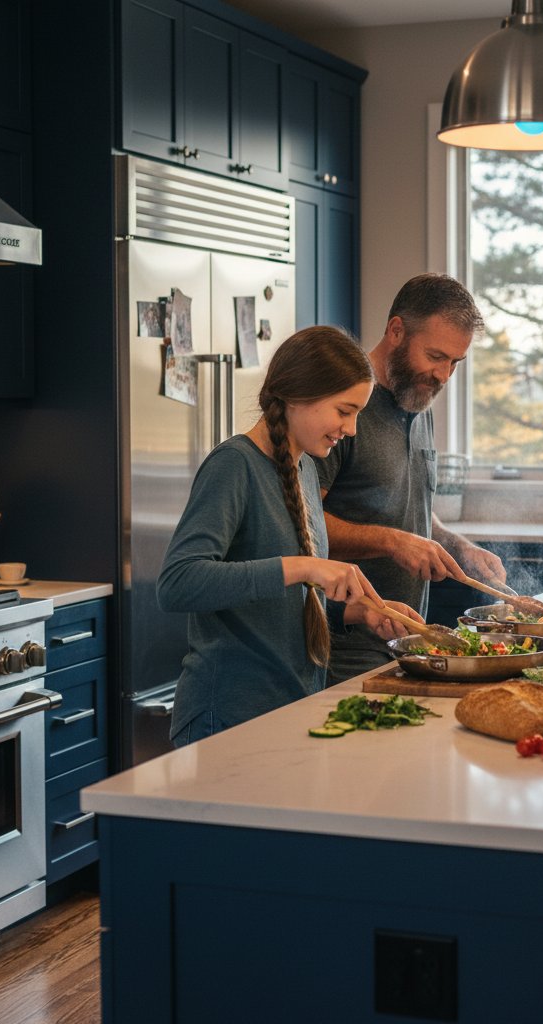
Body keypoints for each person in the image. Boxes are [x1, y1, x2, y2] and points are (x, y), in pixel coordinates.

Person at [157, 325, 423, 747]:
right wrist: (301, 567)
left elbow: (283, 608)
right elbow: (177, 584)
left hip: (288, 711)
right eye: (344, 410)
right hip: (226, 718)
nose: (351, 429)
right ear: (300, 395)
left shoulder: (304, 470)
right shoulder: (234, 465)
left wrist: (360, 614)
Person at [313, 273, 507, 682]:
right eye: (436, 356)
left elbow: (410, 511)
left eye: (456, 362)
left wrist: (456, 545)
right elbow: (303, 525)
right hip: (342, 649)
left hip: (404, 643)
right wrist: (392, 542)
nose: (444, 376)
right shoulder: (341, 408)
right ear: (396, 331)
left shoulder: (417, 400)